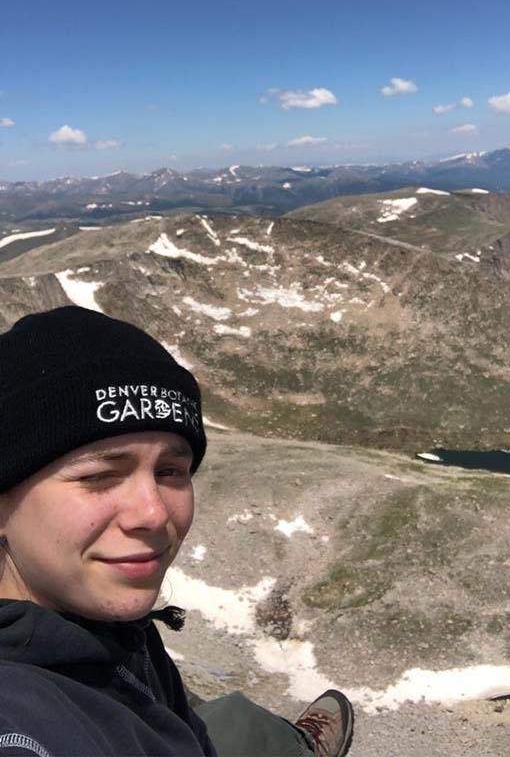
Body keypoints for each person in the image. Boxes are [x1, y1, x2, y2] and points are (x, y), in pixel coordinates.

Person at [0, 306, 354, 757]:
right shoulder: (18, 722)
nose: (152, 513)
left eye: (170, 471)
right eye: (99, 476)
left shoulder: (103, 616)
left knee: (231, 725)